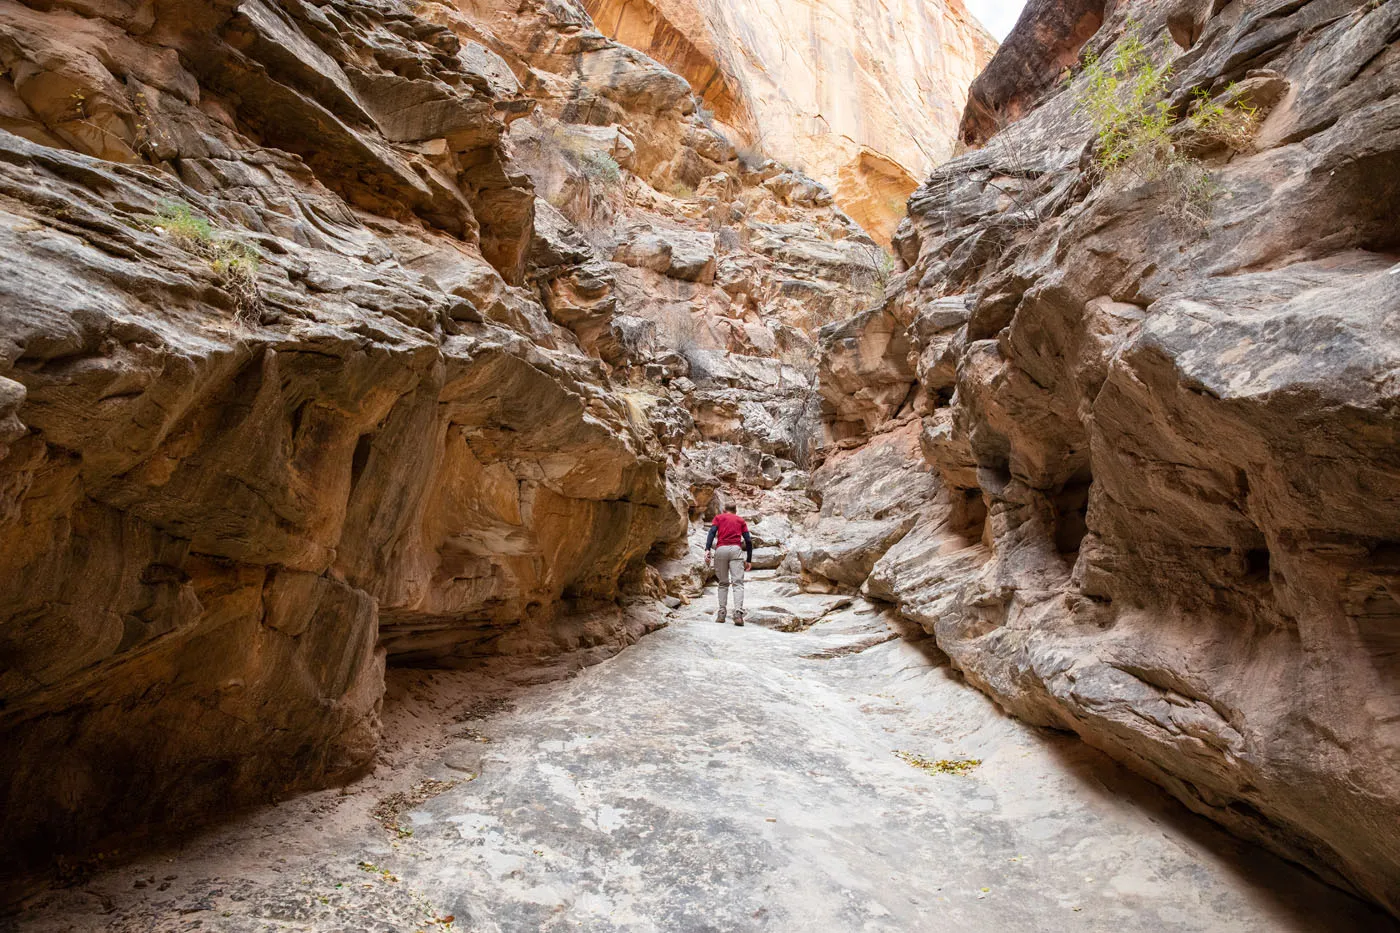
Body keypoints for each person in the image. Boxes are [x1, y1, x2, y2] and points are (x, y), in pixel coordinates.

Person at [704, 503, 753, 626]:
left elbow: (711, 533)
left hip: (721, 550)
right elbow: (748, 540)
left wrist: (707, 549)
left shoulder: (719, 518)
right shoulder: (740, 520)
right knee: (738, 583)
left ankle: (721, 612)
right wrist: (749, 560)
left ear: (724, 510)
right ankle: (738, 613)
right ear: (735, 511)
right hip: (735, 550)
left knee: (723, 583)